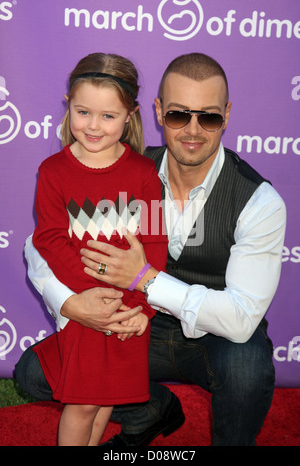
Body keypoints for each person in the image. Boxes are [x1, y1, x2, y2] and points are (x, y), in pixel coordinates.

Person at [16, 53, 286, 446]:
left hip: (210, 336)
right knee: (35, 372)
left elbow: (242, 318)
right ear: (158, 112)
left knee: (247, 367)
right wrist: (71, 303)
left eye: (208, 117)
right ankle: (152, 409)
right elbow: (42, 242)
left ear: (226, 115)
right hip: (130, 319)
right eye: (179, 115)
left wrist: (145, 281)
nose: (193, 130)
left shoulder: (258, 201)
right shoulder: (118, 164)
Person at [20, 52, 168, 446]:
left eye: (108, 116)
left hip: (130, 310)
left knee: (107, 403)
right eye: (84, 112)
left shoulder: (145, 174)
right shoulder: (53, 172)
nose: (94, 126)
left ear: (130, 116)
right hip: (89, 307)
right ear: (69, 106)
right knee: (82, 404)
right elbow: (49, 238)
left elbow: (154, 241)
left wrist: (143, 309)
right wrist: (92, 295)